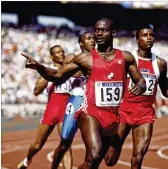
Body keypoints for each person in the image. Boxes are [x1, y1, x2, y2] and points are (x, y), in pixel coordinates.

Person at [21, 18, 146, 169]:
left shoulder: (126, 58)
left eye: (103, 30)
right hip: (90, 113)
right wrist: (40, 67)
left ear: (113, 33)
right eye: (97, 30)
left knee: (94, 161)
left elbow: (141, 81)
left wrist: (140, 86)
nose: (99, 33)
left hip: (112, 115)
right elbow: (58, 76)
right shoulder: (85, 59)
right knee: (94, 153)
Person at [104, 25, 168, 169]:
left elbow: (165, 90)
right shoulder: (127, 59)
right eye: (144, 35)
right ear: (137, 40)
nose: (149, 38)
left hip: (144, 114)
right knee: (110, 160)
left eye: (151, 35)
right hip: (123, 111)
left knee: (138, 157)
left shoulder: (160, 64)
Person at [17, 45, 72, 169]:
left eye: (62, 51)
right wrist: (45, 75)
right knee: (37, 145)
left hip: (66, 111)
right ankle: (27, 160)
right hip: (51, 111)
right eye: (57, 53)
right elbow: (36, 91)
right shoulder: (47, 71)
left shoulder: (70, 70)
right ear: (52, 57)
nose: (61, 54)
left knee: (66, 146)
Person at [51, 32, 96, 169]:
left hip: (93, 102)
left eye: (93, 38)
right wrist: (79, 72)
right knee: (65, 144)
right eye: (88, 38)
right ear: (81, 43)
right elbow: (61, 74)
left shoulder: (100, 58)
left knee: (93, 147)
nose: (92, 41)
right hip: (76, 99)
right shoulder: (72, 57)